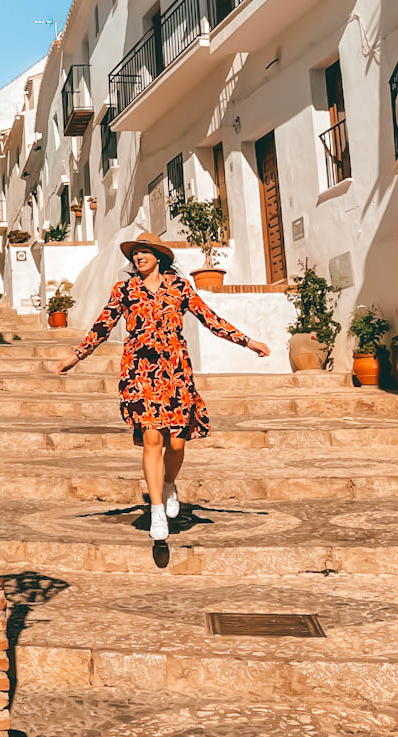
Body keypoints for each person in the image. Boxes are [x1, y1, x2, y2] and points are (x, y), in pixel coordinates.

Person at [55, 230, 270, 564]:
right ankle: (157, 511)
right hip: (139, 373)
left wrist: (247, 342)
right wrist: (77, 356)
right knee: (152, 439)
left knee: (178, 443)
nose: (138, 257)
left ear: (159, 257)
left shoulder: (179, 287)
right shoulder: (124, 290)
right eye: (134, 254)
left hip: (175, 372)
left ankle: (168, 483)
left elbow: (209, 318)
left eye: (144, 252)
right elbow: (103, 325)